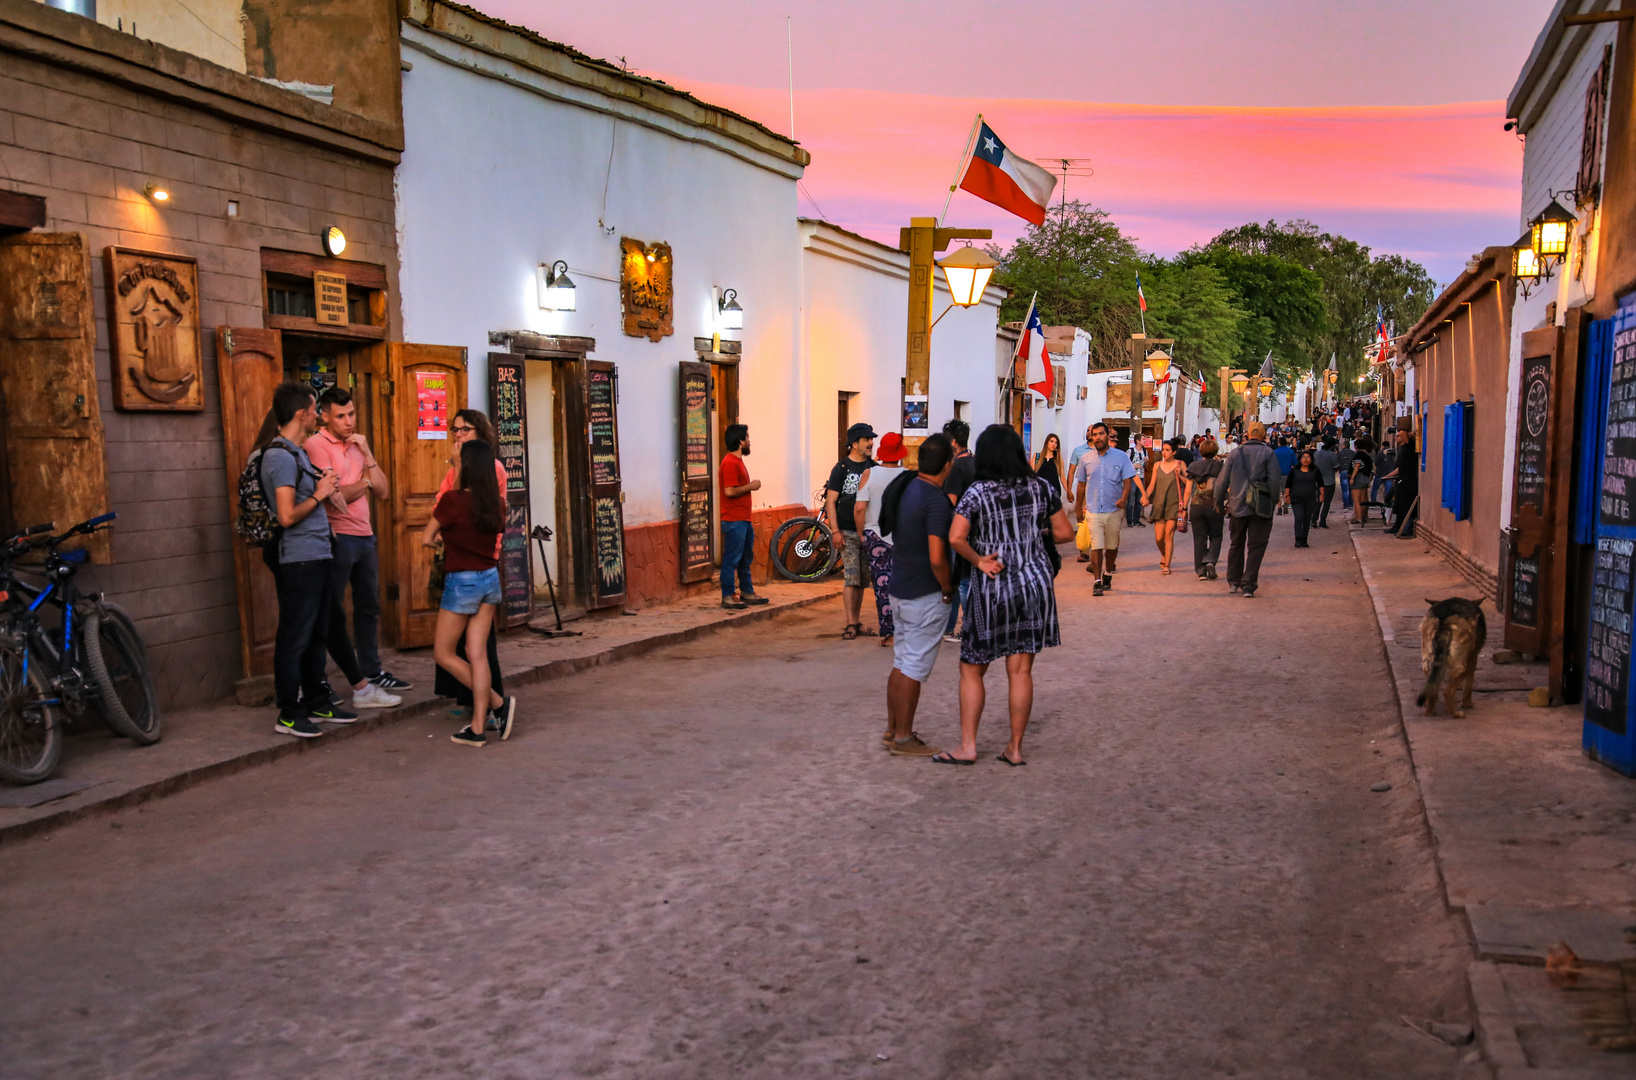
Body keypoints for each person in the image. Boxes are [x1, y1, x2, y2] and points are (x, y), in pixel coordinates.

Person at [933, 424, 1071, 766]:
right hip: (1035, 583)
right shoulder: (1040, 487)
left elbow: (955, 537)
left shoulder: (977, 492)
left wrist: (980, 559)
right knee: (1021, 670)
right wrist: (1033, 534)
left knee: (972, 668)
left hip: (993, 584)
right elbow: (1065, 533)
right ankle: (1015, 747)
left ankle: (968, 746)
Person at [303, 388, 402, 711]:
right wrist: (365, 483)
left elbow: (384, 491)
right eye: (341, 416)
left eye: (352, 414)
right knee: (330, 613)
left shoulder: (358, 445)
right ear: (325, 416)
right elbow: (335, 496)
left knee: (369, 606)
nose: (348, 421)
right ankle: (318, 683)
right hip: (336, 537)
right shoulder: (316, 445)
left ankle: (371, 673)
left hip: (365, 535)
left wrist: (368, 455)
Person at [263, 382, 352, 738]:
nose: (319, 414)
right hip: (298, 559)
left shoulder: (297, 452)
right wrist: (320, 495)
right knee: (295, 636)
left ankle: (317, 699)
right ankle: (288, 710)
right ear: (302, 413)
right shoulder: (280, 457)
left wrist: (322, 487)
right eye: (316, 409)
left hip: (318, 554)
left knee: (319, 632)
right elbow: (286, 516)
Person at [423, 439, 516, 747]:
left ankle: (496, 702)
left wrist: (445, 544)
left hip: (461, 581)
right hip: (489, 579)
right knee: (477, 655)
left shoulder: (451, 500)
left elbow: (427, 537)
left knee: (444, 654)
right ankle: (477, 727)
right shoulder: (496, 504)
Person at [882, 433, 955, 758]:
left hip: (900, 587)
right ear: (948, 465)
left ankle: (893, 728)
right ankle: (902, 738)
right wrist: (947, 587)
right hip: (924, 592)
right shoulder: (935, 500)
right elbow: (938, 556)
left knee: (901, 662)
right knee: (912, 664)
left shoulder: (909, 486)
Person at [1216, 421, 1283, 598]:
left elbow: (1222, 481)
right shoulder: (1268, 453)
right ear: (1263, 435)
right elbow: (1275, 481)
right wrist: (1273, 502)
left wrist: (1218, 500)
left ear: (1247, 434)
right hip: (1260, 507)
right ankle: (1248, 585)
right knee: (1257, 546)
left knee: (1236, 543)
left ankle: (1233, 581)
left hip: (1237, 505)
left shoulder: (1235, 453)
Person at [1072, 422, 1137, 597]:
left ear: (1108, 435)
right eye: (1094, 434)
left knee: (1112, 546)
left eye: (1101, 434)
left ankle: (1107, 573)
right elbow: (1081, 485)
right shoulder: (1086, 459)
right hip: (1093, 509)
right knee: (1096, 546)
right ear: (1091, 437)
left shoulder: (1121, 456)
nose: (1098, 437)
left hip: (1114, 509)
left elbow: (1128, 480)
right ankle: (1097, 581)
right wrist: (1078, 508)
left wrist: (1124, 499)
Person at [855, 432, 907, 647]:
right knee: (903, 586)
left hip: (875, 535)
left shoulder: (869, 474)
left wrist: (860, 533)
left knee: (882, 586)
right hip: (902, 536)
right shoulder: (908, 476)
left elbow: (859, 508)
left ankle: (889, 633)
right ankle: (905, 632)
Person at [827, 422, 876, 640]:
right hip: (846, 530)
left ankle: (856, 621)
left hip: (867, 531)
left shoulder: (874, 468)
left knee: (862, 579)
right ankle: (849, 623)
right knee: (851, 576)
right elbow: (831, 501)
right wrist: (835, 530)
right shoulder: (841, 468)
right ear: (855, 443)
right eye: (866, 439)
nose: (871, 443)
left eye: (871, 439)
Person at [718, 423, 768, 611]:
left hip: (742, 519)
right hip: (734, 519)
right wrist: (751, 486)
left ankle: (747, 591)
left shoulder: (737, 461)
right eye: (747, 437)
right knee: (732, 559)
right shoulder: (730, 462)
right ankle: (728, 595)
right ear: (740, 441)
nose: (749, 440)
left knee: (744, 558)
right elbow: (729, 491)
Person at [941, 419, 977, 640]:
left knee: (960, 581)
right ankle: (951, 627)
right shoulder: (975, 462)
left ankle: (966, 627)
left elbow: (950, 502)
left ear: (953, 441)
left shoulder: (956, 467)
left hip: (959, 529)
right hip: (976, 528)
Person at [1139, 439, 1189, 574]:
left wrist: (1179, 475)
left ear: (1174, 452)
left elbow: (1189, 482)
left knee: (1169, 535)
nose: (1164, 453)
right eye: (1163, 450)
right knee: (1159, 538)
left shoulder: (1180, 464)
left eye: (1167, 450)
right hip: (1159, 504)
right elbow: (1152, 485)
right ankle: (1163, 554)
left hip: (1174, 504)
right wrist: (1145, 496)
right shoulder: (1157, 465)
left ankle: (1167, 565)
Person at [1186, 438, 1225, 579]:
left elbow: (1188, 490)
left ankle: (1200, 571)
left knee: (1199, 538)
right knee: (1216, 536)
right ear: (1215, 451)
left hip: (1196, 506)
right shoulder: (1220, 467)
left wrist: (1184, 508)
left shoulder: (1194, 467)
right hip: (1214, 506)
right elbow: (1227, 486)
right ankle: (1211, 560)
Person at [1066, 425, 1095, 563]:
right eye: (1088, 430)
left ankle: (1096, 548)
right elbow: (1071, 471)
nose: (1089, 433)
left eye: (1092, 431)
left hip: (1099, 488)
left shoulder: (1102, 451)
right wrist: (1069, 489)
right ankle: (1084, 551)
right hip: (1083, 487)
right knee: (1082, 517)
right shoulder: (1079, 451)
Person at [1384, 428, 1419, 537]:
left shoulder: (1408, 449)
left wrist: (1389, 475)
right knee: (1398, 505)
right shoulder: (1403, 448)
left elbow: (1401, 467)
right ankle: (1397, 527)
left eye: (1398, 436)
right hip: (1402, 480)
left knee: (1404, 505)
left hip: (1407, 480)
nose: (1396, 438)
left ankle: (1405, 529)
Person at [1288, 449, 1324, 548]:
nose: (1306, 459)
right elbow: (1288, 484)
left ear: (1311, 459)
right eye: (1304, 457)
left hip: (1310, 499)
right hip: (1297, 498)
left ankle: (1304, 539)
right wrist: (1287, 496)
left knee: (1307, 519)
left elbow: (1320, 483)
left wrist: (1321, 494)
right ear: (1300, 459)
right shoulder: (1294, 470)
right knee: (1299, 517)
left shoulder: (1315, 470)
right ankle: (1298, 539)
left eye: (1308, 457)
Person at [1313, 438, 1339, 529]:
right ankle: (1322, 521)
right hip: (1329, 481)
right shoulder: (1332, 455)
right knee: (1327, 503)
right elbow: (1336, 468)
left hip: (1318, 481)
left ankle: (1313, 520)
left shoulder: (1316, 454)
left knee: (1317, 501)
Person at [1350, 437, 1375, 525]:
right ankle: (1364, 515)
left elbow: (1357, 465)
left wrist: (1352, 477)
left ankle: (1359, 518)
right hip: (1366, 478)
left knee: (1356, 499)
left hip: (1358, 478)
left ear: (1356, 446)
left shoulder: (1359, 455)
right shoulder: (1367, 456)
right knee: (1364, 497)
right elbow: (1373, 469)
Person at [1126, 436, 1149, 528]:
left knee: (1139, 499)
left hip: (1141, 476)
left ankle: (1136, 520)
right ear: (1138, 441)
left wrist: (1146, 462)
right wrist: (1134, 466)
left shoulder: (1145, 451)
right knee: (1131, 500)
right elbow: (1125, 464)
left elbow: (1145, 465)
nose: (1145, 441)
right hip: (1132, 477)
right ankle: (1129, 520)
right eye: (1143, 439)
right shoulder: (1130, 451)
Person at [1033, 432, 1064, 498]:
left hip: (1054, 492)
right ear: (1047, 443)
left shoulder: (1058, 459)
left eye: (1056, 442)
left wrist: (1068, 491)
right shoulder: (1037, 457)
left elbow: (1062, 477)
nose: (1054, 444)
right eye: (1051, 441)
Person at [1272, 437, 1295, 515]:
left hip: (1277, 474)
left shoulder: (1275, 452)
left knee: (1278, 491)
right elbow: (1295, 463)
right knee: (1286, 490)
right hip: (1287, 473)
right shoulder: (1291, 452)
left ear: (1279, 443)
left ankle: (1279, 507)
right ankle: (1285, 503)